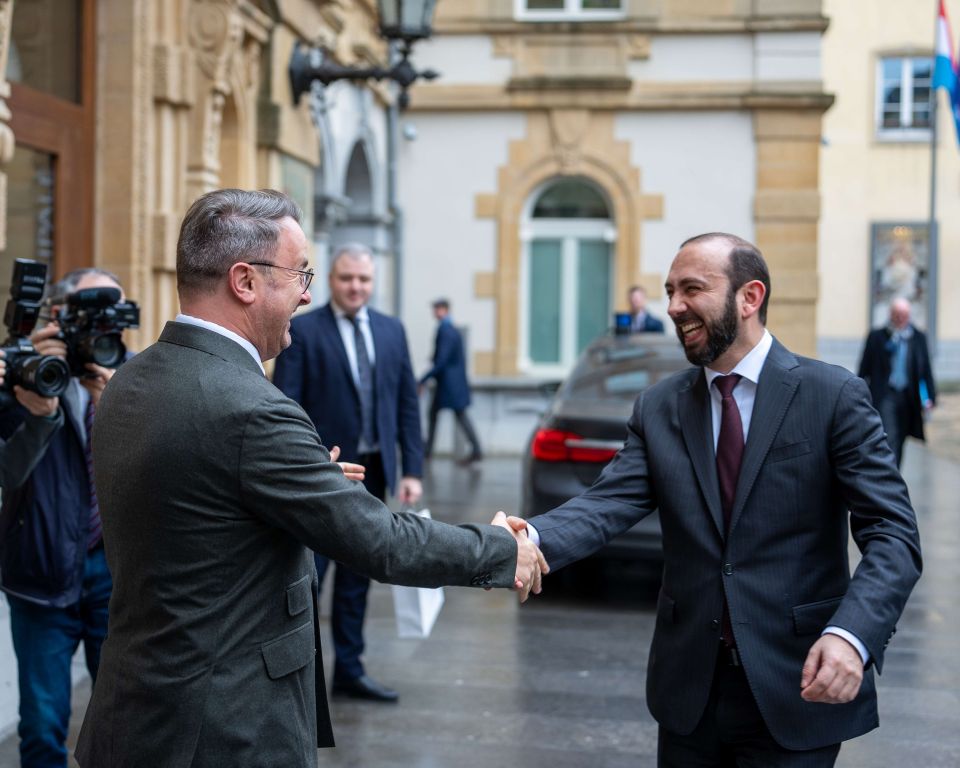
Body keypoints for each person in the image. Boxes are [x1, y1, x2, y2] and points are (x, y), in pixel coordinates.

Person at [74, 189, 546, 768]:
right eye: (299, 273)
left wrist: (292, 481)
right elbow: (381, 541)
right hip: (222, 730)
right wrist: (498, 547)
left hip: (134, 714)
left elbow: (189, 508)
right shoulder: (253, 411)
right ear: (244, 281)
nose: (307, 293)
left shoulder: (131, 378)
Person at [515, 233, 921, 766]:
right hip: (689, 693)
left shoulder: (833, 396)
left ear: (749, 297)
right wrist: (527, 539)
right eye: (669, 291)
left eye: (691, 289)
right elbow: (605, 504)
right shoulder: (659, 407)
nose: (674, 306)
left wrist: (852, 635)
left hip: (797, 685)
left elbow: (893, 534)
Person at [273, 243, 424, 702]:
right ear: (329, 280)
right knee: (308, 577)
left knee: (359, 574)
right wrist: (307, 463)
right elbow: (285, 405)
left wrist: (412, 469)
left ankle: (350, 671)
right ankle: (303, 678)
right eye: (345, 279)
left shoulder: (392, 330)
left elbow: (406, 404)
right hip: (321, 474)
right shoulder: (302, 331)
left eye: (363, 279)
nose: (355, 287)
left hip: (373, 472)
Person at [0, 268, 125, 768]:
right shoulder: (22, 372)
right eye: (87, 311)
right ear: (58, 315)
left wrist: (116, 403)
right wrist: (39, 412)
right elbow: (8, 473)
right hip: (40, 569)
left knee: (124, 722)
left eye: (111, 311)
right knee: (42, 729)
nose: (100, 323)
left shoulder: (134, 375)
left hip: (116, 572)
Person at [858, 297, 935, 467]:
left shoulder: (918, 338)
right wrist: (858, 393)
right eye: (897, 314)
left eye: (904, 315)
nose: (901, 318)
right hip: (885, 395)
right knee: (889, 434)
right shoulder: (877, 337)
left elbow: (925, 371)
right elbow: (864, 368)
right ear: (891, 315)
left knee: (901, 436)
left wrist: (930, 398)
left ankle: (894, 470)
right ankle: (889, 472)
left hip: (908, 396)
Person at [419, 298, 483, 464]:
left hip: (449, 385)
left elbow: (441, 360)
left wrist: (423, 379)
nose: (434, 313)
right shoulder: (449, 329)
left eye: (437, 309)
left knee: (450, 415)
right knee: (445, 414)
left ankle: (429, 451)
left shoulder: (446, 330)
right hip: (450, 384)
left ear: (444, 310)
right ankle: (429, 451)